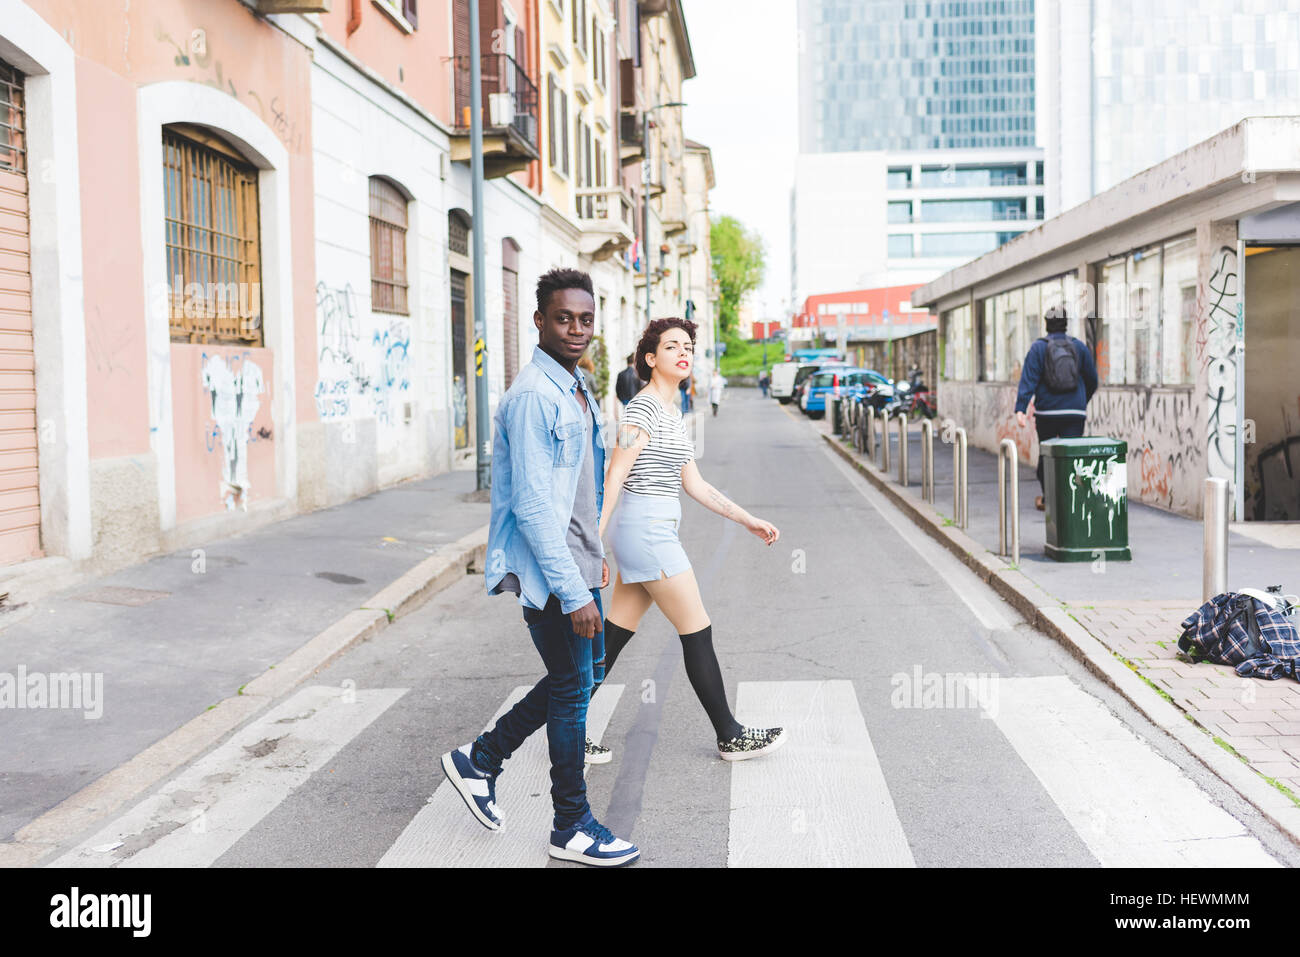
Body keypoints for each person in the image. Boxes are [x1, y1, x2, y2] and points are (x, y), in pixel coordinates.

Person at [440, 267, 639, 867]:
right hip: (556, 579)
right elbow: (531, 506)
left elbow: (576, 492)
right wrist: (573, 589)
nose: (576, 329)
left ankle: (482, 759)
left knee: (575, 678)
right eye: (563, 318)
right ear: (539, 321)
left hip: (578, 567)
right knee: (575, 692)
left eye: (585, 319)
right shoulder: (533, 396)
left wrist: (594, 558)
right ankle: (570, 825)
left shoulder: (574, 386)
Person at [594, 317, 788, 761]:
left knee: (613, 637)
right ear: (650, 358)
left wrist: (746, 519)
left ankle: (566, 725)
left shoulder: (672, 413)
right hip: (647, 533)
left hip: (654, 529)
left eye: (688, 345)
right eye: (671, 346)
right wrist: (593, 544)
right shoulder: (641, 410)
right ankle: (730, 734)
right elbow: (615, 476)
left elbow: (696, 484)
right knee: (697, 630)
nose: (684, 352)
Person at [1014, 305, 1099, 511]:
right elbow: (1093, 379)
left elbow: (1029, 379)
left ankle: (1049, 498)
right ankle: (1072, 499)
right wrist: (1080, 401)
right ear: (1066, 323)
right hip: (1074, 413)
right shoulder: (1079, 347)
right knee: (1072, 457)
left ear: (1046, 324)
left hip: (1047, 413)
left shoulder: (1038, 348)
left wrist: (1021, 409)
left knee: (1048, 455)